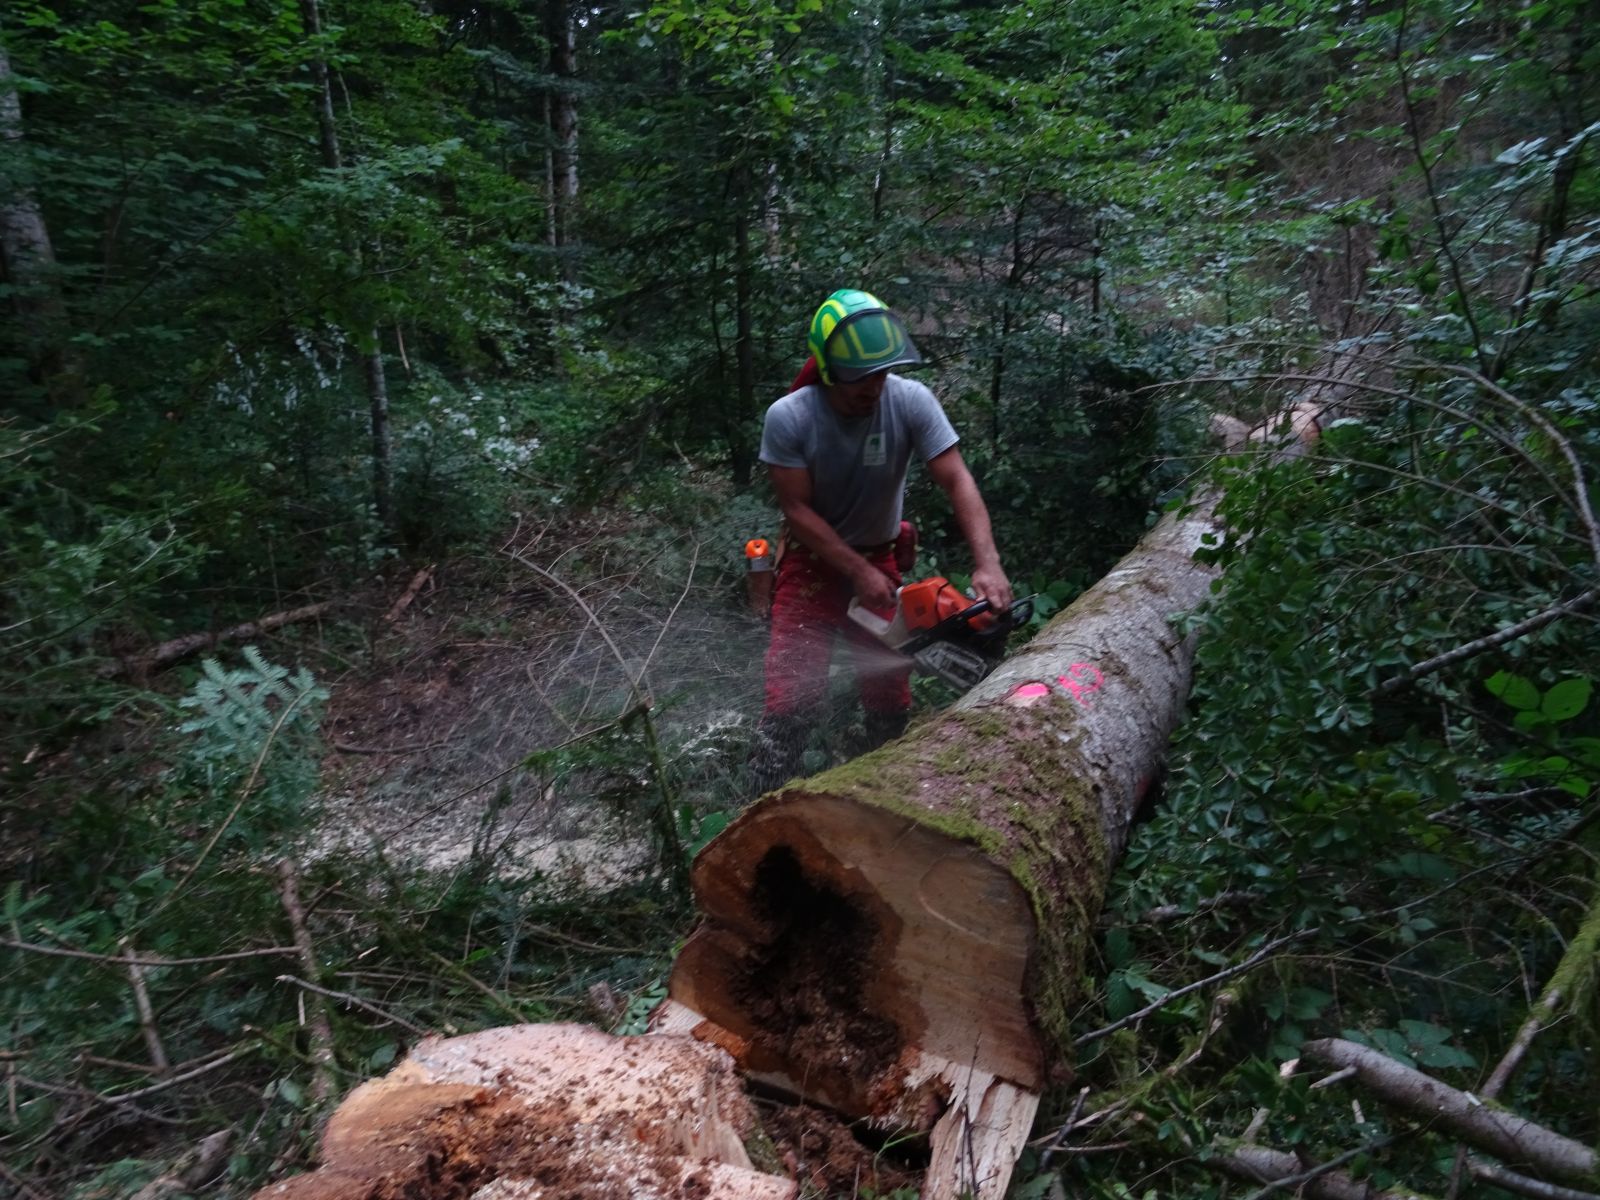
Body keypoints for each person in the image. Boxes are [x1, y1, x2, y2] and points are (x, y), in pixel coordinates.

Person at [749, 288, 1012, 794]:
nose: (872, 388)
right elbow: (797, 511)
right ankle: (762, 797)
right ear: (828, 370)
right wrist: (855, 570)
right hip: (812, 569)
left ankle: (882, 788)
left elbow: (956, 478)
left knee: (888, 688)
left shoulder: (910, 400)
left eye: (879, 374)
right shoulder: (791, 416)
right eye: (858, 379)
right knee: (791, 692)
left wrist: (987, 563)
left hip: (880, 561)